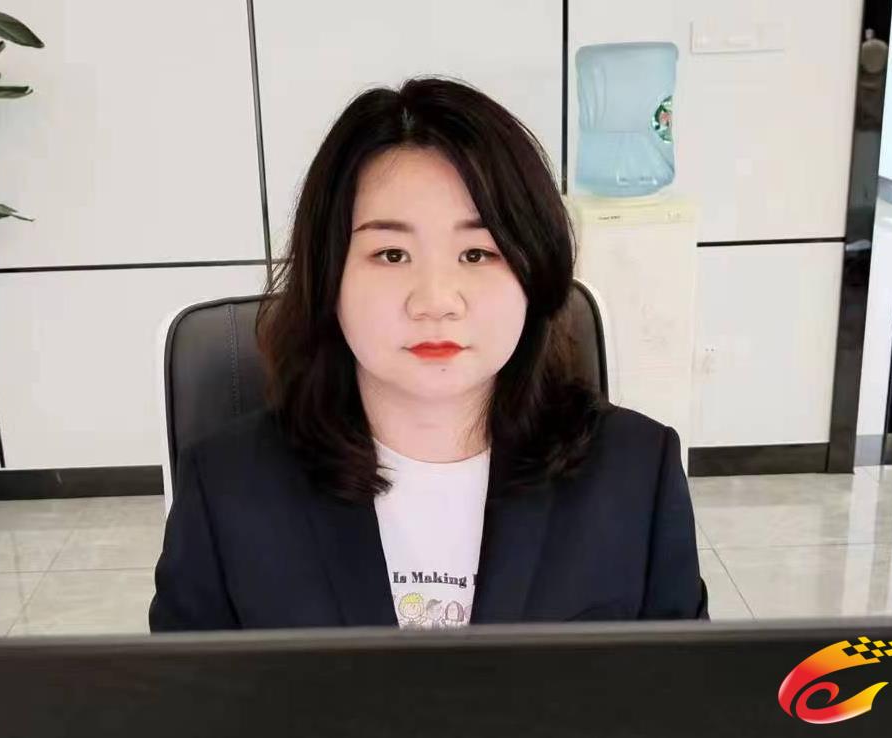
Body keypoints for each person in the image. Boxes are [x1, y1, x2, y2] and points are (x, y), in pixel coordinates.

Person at [148, 77, 708, 631]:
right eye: (391, 254)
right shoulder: (225, 488)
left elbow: (683, 684)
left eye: (477, 253)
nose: (436, 301)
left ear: (533, 270)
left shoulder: (638, 474)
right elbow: (180, 687)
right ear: (329, 276)